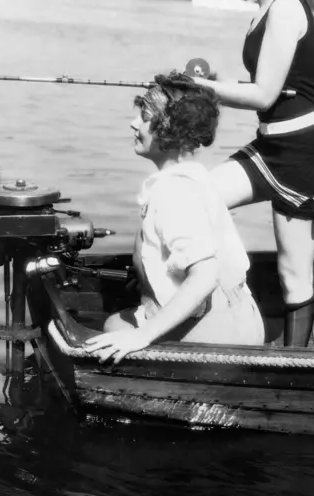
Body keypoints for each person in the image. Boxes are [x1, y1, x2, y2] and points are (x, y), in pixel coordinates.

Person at [192, 0, 314, 347]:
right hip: (271, 149)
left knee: (293, 274)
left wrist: (204, 87)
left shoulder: (284, 10)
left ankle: (294, 370)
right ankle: (217, 296)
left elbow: (263, 96)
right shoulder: (263, 8)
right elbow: (273, 87)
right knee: (199, 196)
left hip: (307, 157)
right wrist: (215, 84)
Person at [84, 72, 265, 363]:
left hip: (222, 337)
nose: (134, 124)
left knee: (112, 327)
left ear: (169, 128)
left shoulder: (171, 191)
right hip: (244, 317)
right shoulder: (197, 177)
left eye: (144, 117)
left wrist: (141, 336)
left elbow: (205, 274)